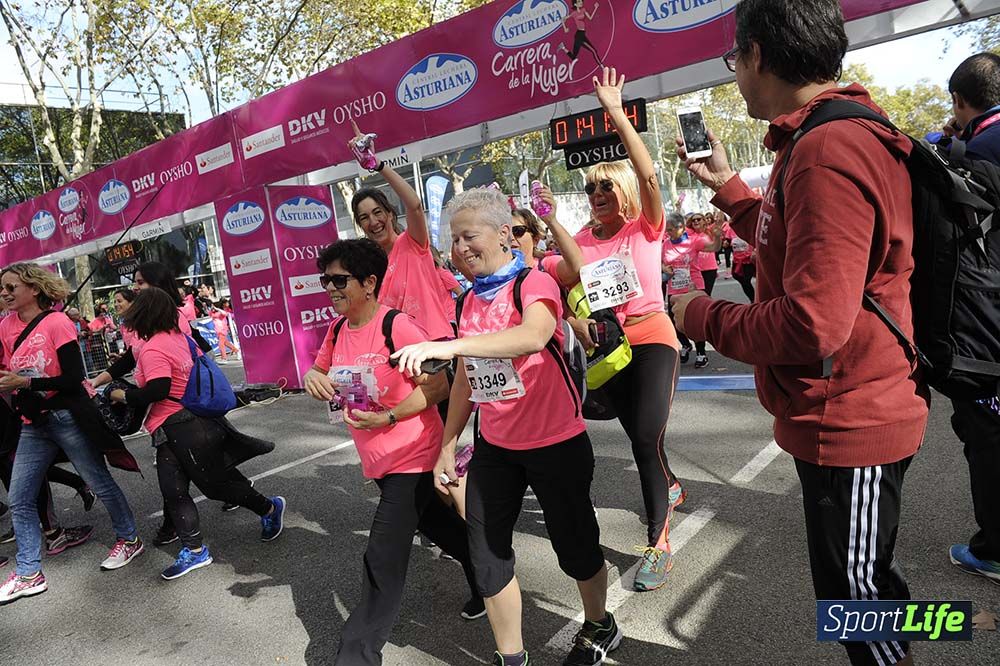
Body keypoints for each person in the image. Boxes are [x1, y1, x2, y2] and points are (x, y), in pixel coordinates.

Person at [671, 1, 929, 663]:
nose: (736, 75)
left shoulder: (827, 148)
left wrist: (700, 315)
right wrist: (729, 186)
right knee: (859, 601)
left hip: (852, 420)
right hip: (840, 413)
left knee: (862, 613)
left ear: (757, 53)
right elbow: (795, 239)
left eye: (735, 61)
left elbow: (814, 321)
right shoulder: (825, 138)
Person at [393, 187, 618, 666]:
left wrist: (449, 349)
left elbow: (533, 336)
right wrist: (447, 444)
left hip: (556, 442)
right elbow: (465, 384)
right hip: (495, 447)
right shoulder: (467, 303)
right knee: (487, 553)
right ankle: (511, 657)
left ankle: (600, 622)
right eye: (454, 240)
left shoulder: (533, 283)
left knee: (574, 547)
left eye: (469, 236)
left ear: (503, 236)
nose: (460, 248)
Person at [302, 239, 483, 665]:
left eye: (339, 279)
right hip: (380, 464)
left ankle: (357, 654)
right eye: (324, 279)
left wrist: (388, 418)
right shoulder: (337, 329)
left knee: (382, 556)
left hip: (414, 456)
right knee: (445, 530)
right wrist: (313, 376)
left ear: (369, 282)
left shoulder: (397, 327)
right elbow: (320, 369)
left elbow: (439, 387)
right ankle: (490, 575)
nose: (330, 287)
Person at [542, 67, 686, 592]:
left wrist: (616, 113)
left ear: (622, 189)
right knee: (642, 440)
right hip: (609, 349)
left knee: (646, 436)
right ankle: (668, 483)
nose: (597, 191)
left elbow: (650, 177)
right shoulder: (581, 236)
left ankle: (657, 542)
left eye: (606, 184)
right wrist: (577, 323)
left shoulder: (643, 226)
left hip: (651, 337)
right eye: (590, 186)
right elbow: (560, 284)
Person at [108, 288, 284, 580]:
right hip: (181, 426)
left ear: (144, 313)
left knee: (214, 487)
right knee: (173, 490)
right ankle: (194, 549)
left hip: (185, 427)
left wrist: (120, 395)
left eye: (134, 309)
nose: (127, 314)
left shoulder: (153, 348)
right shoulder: (180, 339)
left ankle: (269, 508)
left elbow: (158, 390)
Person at [0, 263, 143, 604]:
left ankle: (130, 538)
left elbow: (73, 378)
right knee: (20, 498)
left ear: (33, 289)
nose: (4, 294)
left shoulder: (57, 322)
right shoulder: (5, 326)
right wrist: (12, 383)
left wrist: (27, 382)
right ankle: (29, 573)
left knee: (100, 482)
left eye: (10, 287)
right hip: (33, 424)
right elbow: (8, 371)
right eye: (2, 289)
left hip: (67, 417)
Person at [94, 261, 271, 528]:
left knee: (206, 481)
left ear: (156, 287)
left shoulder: (164, 329)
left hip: (185, 415)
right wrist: (97, 381)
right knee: (177, 484)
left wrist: (122, 395)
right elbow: (130, 360)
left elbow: (166, 379)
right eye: (135, 283)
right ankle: (190, 541)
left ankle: (260, 504)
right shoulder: (148, 333)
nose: (135, 288)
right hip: (170, 419)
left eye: (141, 283)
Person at [942, 52, 1000, 584]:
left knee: (986, 437)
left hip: (985, 327)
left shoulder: (974, 153)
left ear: (960, 102)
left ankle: (993, 546)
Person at [348, 119, 454, 342]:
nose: (374, 221)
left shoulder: (412, 242)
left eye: (378, 212)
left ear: (389, 214)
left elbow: (414, 204)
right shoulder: (367, 267)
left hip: (436, 346)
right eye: (364, 217)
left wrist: (378, 165)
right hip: (398, 353)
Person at [662, 212, 721, 368]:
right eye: (666, 230)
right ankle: (686, 345)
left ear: (680, 227)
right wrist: (664, 268)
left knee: (695, 320)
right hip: (674, 288)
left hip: (693, 285)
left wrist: (718, 237)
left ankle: (701, 352)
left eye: (670, 230)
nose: (668, 233)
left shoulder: (693, 241)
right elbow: (658, 261)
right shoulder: (665, 244)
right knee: (674, 322)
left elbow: (714, 247)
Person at [726, 223, 756, 302]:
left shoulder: (749, 226)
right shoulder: (731, 228)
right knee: (738, 277)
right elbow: (727, 242)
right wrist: (726, 243)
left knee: (746, 280)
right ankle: (754, 299)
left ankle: (755, 300)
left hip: (749, 258)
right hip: (737, 259)